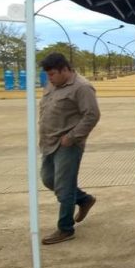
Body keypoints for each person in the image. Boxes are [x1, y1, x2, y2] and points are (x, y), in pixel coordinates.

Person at [38, 52, 100, 245]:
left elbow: (92, 115)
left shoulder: (81, 87)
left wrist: (72, 137)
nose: (50, 78)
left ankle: (65, 228)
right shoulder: (53, 84)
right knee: (49, 179)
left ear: (65, 69)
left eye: (53, 74)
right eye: (48, 75)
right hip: (48, 143)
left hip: (67, 144)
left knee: (64, 188)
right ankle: (83, 199)